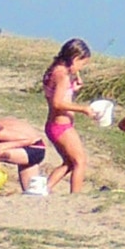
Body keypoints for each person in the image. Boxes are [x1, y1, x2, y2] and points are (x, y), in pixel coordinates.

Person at [41, 38, 95, 194]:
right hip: (61, 126)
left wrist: (73, 89)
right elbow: (57, 103)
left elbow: (57, 96)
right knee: (80, 161)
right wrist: (82, 109)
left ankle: (45, 188)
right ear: (75, 58)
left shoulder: (54, 71)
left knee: (69, 163)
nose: (81, 68)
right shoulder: (62, 76)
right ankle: (75, 195)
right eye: (82, 63)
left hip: (55, 125)